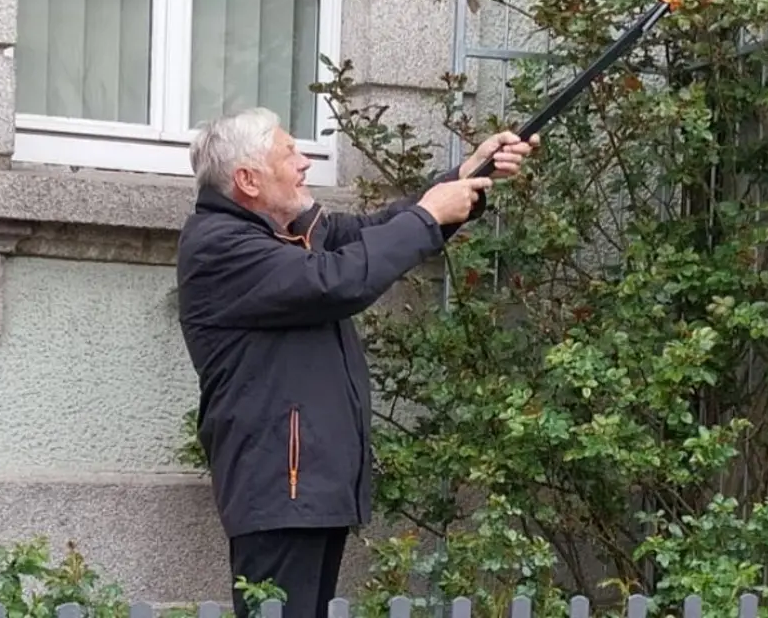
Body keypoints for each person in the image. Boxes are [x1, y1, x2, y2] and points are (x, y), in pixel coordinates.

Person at [175, 107, 536, 618]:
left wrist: (466, 177)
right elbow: (340, 279)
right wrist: (429, 214)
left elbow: (375, 230)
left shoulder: (282, 234)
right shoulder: (221, 246)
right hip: (280, 490)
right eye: (289, 152)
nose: (304, 162)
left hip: (304, 487)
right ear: (247, 180)